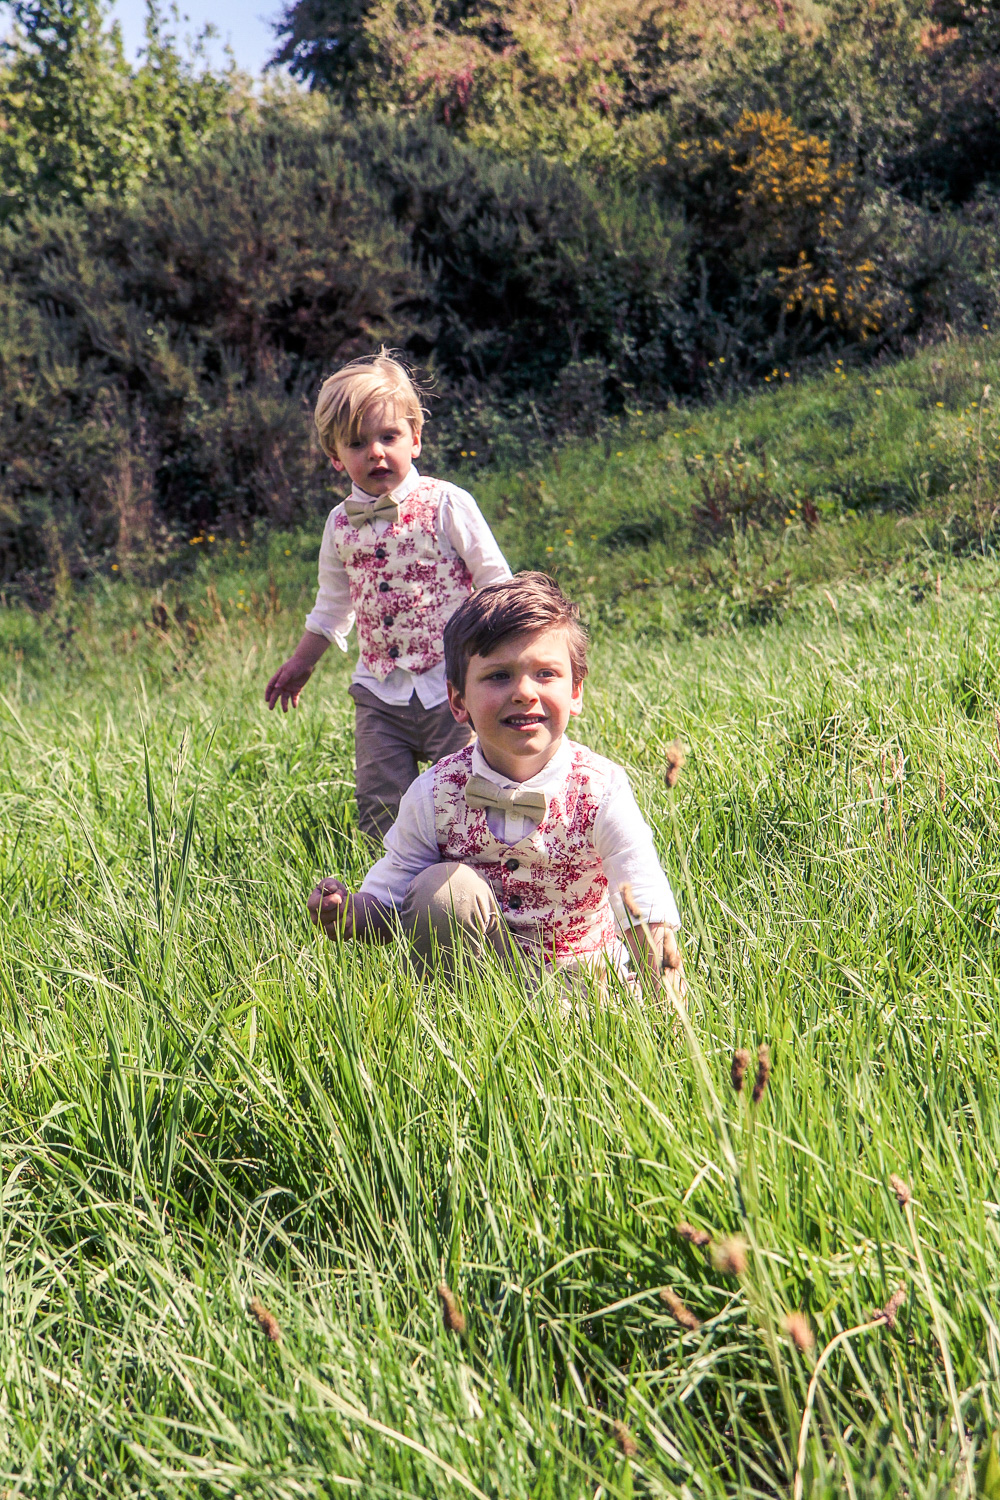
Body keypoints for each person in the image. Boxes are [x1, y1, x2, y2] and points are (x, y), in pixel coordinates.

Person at [307, 573, 685, 998]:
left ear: (576, 691)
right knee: (442, 892)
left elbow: (645, 907)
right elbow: (391, 896)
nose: (524, 692)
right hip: (485, 991)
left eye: (545, 673)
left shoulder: (601, 788)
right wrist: (345, 915)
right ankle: (456, 1027)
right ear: (457, 700)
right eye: (498, 676)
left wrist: (669, 1016)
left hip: (591, 997)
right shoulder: (435, 793)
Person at [264, 350, 511, 838]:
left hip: (452, 686)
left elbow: (496, 581)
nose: (376, 452)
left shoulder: (447, 504)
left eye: (389, 437)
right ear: (336, 457)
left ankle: (471, 881)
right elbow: (332, 608)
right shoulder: (339, 525)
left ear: (415, 439)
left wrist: (502, 658)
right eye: (357, 443)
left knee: (464, 794)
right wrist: (301, 663)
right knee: (379, 802)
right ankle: (385, 893)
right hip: (379, 692)